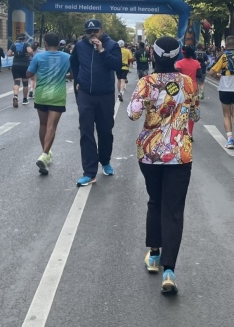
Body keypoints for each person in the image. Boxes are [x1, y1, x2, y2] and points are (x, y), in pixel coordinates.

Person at [127, 36, 200, 295]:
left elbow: (133, 113)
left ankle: (154, 254)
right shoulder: (188, 82)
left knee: (155, 201)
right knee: (174, 209)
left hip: (150, 154)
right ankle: (169, 271)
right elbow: (195, 114)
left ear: (153, 54)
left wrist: (150, 103)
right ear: (178, 55)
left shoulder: (146, 83)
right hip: (180, 153)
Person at [70, 19, 123, 186]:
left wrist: (102, 50)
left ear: (102, 30)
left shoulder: (112, 45)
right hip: (85, 94)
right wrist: (78, 80)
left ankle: (105, 161)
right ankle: (89, 172)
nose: (92, 34)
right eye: (89, 32)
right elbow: (74, 63)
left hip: (105, 95)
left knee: (105, 130)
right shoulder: (80, 46)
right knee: (86, 131)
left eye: (95, 31)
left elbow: (117, 65)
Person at [27, 32, 72, 175]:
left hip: (41, 95)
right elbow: (73, 74)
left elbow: (29, 74)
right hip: (57, 97)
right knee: (52, 126)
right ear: (58, 44)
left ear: (45, 44)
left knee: (43, 125)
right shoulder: (67, 57)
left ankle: (45, 153)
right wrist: (63, 74)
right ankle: (45, 154)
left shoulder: (38, 56)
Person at [175, 46, 202, 141]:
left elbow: (177, 75)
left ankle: (182, 133)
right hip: (194, 89)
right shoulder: (196, 63)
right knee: (192, 112)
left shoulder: (179, 63)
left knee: (181, 111)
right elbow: (200, 75)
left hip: (183, 90)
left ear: (183, 53)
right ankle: (190, 133)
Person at [8, 33, 34, 108]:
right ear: (25, 38)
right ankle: (25, 99)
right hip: (25, 65)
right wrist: (32, 56)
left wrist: (15, 54)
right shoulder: (26, 44)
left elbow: (9, 54)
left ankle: (15, 96)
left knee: (16, 82)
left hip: (15, 65)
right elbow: (29, 51)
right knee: (25, 83)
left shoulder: (14, 45)